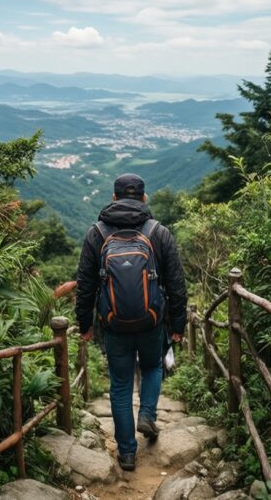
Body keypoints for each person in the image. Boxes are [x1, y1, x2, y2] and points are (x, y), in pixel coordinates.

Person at [75, 173, 187, 472]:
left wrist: (85, 324)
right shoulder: (159, 232)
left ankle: (126, 453)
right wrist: (178, 325)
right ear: (144, 198)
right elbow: (177, 284)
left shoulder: (96, 233)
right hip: (152, 322)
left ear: (114, 198)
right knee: (152, 367)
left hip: (113, 324)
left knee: (121, 385)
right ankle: (147, 414)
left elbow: (85, 286)